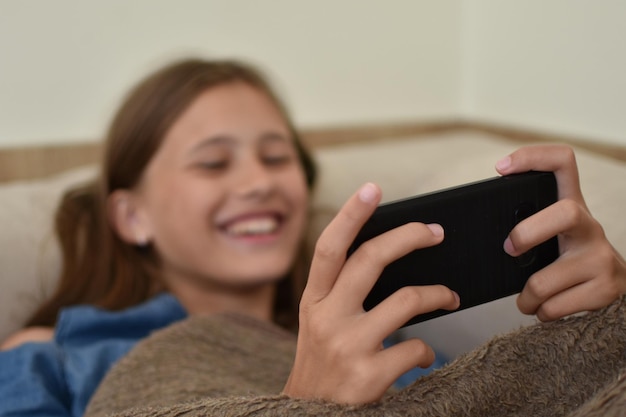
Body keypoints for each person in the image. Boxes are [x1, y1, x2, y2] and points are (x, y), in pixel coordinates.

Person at [0, 58, 624, 415]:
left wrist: (596, 326)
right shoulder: (53, 355)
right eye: (214, 163)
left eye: (277, 157)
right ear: (132, 216)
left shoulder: (384, 339)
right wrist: (301, 405)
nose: (258, 182)